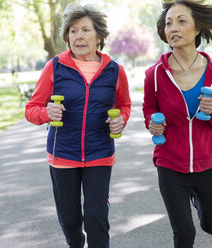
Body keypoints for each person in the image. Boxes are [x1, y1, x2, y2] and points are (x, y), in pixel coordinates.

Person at [25, 3, 131, 248]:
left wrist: (120, 120)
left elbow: (124, 105)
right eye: (73, 31)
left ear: (99, 36)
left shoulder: (115, 71)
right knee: (71, 221)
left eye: (85, 30)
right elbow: (31, 109)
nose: (79, 36)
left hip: (100, 153)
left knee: (97, 218)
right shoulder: (55, 67)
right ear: (67, 36)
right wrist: (45, 112)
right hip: (63, 154)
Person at [142, 1, 212, 247]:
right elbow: (149, 108)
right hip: (170, 163)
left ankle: (198, 200)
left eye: (181, 21)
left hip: (207, 162)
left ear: (197, 27)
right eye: (169, 23)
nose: (173, 28)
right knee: (184, 232)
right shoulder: (155, 74)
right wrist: (152, 123)